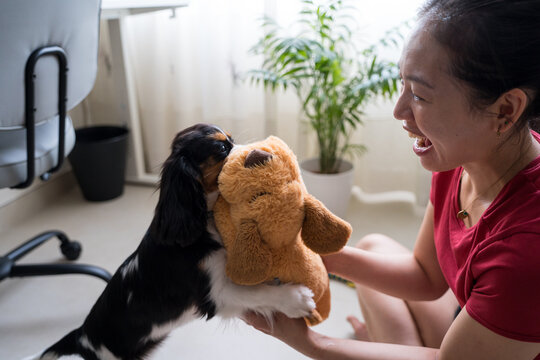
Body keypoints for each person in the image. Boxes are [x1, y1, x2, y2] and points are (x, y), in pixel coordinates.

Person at [243, 0, 540, 358]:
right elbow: (425, 275)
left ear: (506, 110)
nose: (399, 110)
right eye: (402, 82)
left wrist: (309, 341)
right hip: (473, 319)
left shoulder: (528, 250)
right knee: (373, 246)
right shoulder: (458, 161)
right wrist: (312, 253)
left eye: (418, 95)